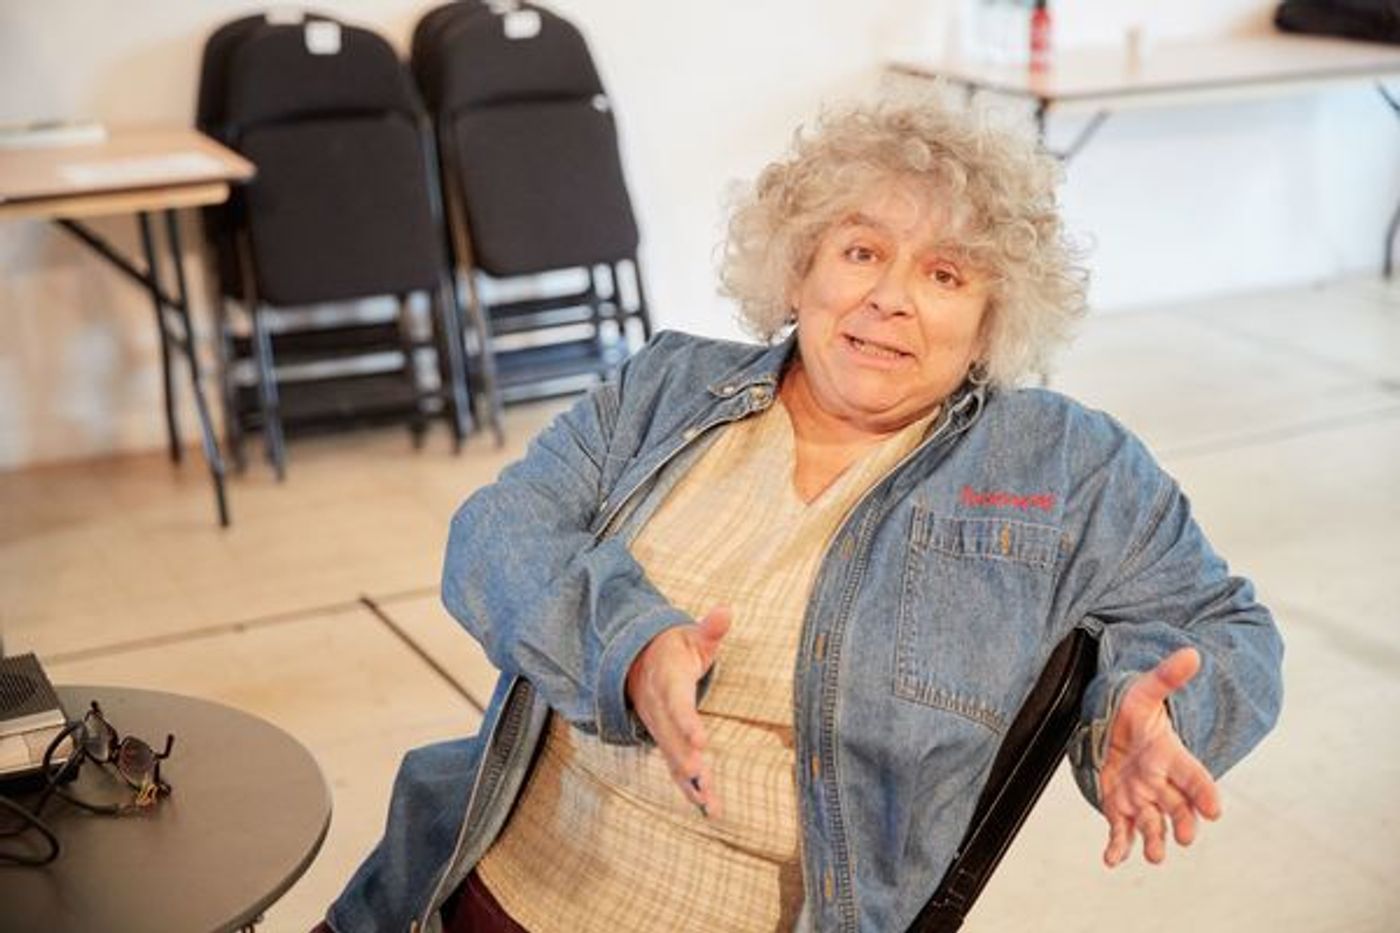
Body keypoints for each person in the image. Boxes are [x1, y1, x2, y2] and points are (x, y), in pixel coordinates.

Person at [323, 97, 1284, 933]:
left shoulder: (1066, 464)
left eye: (946, 274)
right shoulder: (666, 385)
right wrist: (629, 644)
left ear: (992, 319)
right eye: (861, 251)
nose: (889, 299)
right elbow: (496, 533)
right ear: (798, 271)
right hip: (471, 884)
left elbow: (1222, 624)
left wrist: (1152, 713)